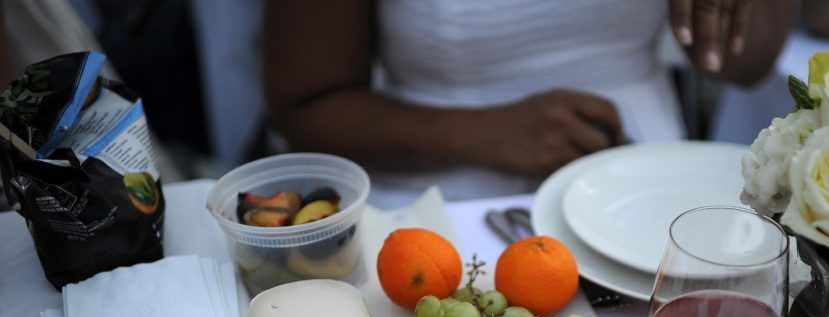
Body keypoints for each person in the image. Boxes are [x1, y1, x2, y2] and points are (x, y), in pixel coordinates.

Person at [264, 0, 793, 207]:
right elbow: (303, 105)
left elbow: (749, 63)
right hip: (441, 201)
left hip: (646, 191)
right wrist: (478, 133)